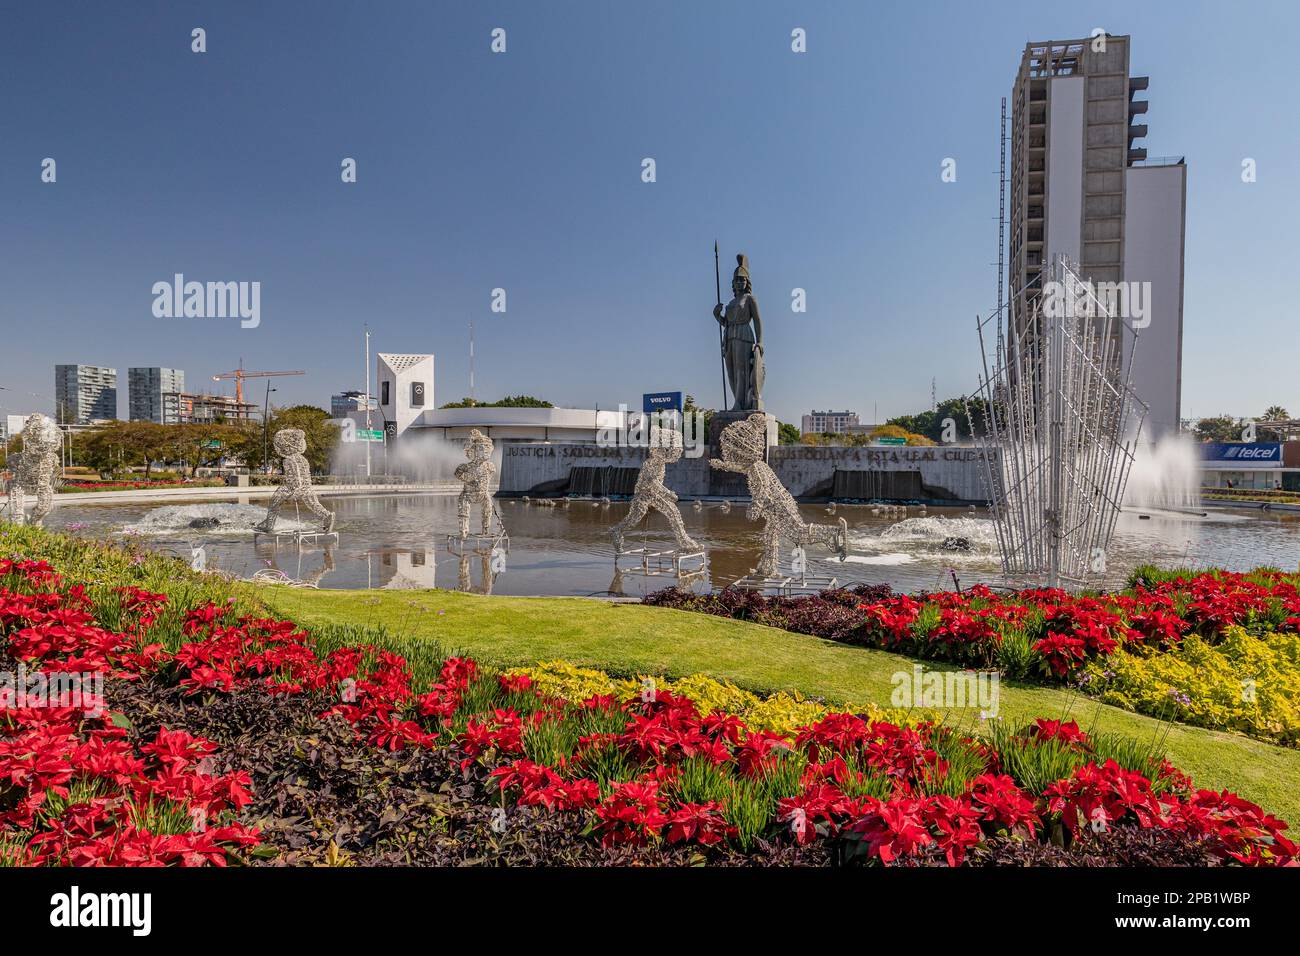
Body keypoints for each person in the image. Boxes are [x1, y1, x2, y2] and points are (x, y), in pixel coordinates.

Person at [710, 412, 847, 577]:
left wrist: (756, 505)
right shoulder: (755, 465)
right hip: (776, 507)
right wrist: (724, 465)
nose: (728, 454)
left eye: (729, 451)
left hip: (778, 506)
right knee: (770, 537)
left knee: (798, 533)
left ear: (742, 450)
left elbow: (763, 487)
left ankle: (833, 532)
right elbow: (743, 469)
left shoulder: (756, 468)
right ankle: (768, 569)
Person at [610, 424, 700, 553]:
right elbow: (652, 482)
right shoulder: (651, 463)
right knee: (634, 518)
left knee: (673, 512)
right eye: (672, 449)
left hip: (651, 494)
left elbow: (655, 484)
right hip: (643, 496)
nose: (676, 452)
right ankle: (617, 531)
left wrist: (665, 493)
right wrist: (668, 493)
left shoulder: (660, 463)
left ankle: (685, 541)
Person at [712, 254, 765, 411]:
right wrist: (717, 316)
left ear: (747, 282)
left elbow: (757, 320)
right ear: (733, 283)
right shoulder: (731, 303)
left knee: (742, 370)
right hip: (729, 337)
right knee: (731, 372)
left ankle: (740, 403)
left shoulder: (750, 299)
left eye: (742, 280)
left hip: (744, 335)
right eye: (737, 280)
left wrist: (760, 341)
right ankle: (737, 400)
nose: (740, 283)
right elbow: (726, 323)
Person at [256, 429, 334, 533]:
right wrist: (304, 487)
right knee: (313, 503)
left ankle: (269, 525)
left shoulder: (288, 460)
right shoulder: (303, 459)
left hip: (295, 487)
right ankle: (327, 515)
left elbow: (296, 476)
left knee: (275, 500)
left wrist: (296, 489)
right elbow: (306, 476)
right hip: (307, 488)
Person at [454, 429, 497, 537]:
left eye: (488, 449)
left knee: (488, 509)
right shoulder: (465, 467)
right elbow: (457, 473)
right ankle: (463, 531)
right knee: (463, 509)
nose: (486, 452)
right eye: (482, 449)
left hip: (483, 494)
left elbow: (490, 476)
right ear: (474, 451)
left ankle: (485, 530)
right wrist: (469, 479)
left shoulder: (490, 466)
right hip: (468, 494)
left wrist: (482, 483)